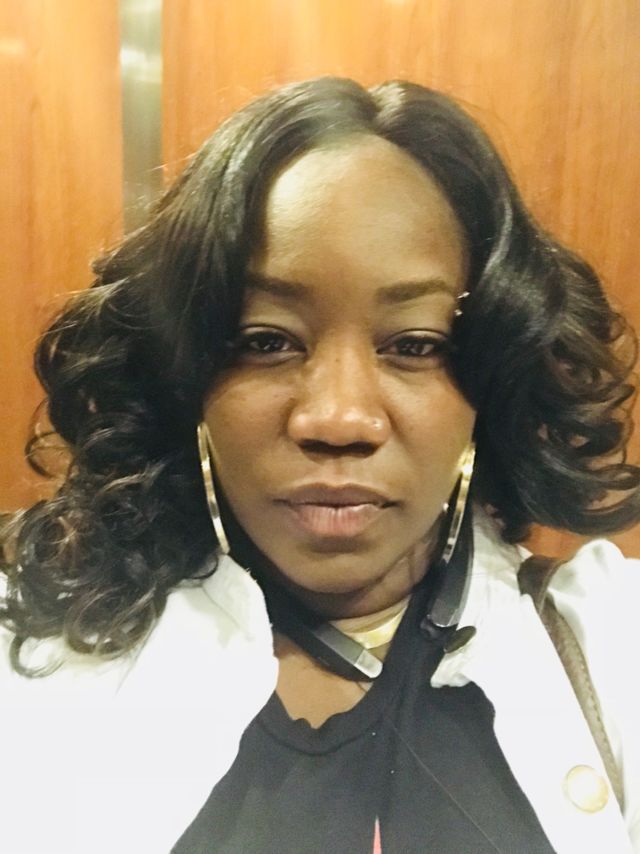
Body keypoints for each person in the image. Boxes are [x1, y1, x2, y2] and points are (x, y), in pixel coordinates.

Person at [1, 76, 639, 854]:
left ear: (491, 377)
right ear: (187, 373)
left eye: (416, 344)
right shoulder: (26, 661)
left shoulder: (615, 648)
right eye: (265, 340)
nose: (338, 420)